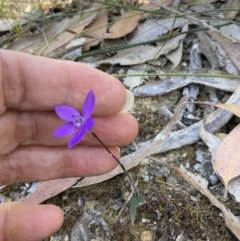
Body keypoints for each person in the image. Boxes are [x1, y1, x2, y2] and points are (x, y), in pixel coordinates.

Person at [0, 50, 138, 241]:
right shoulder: (78, 127)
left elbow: (87, 117)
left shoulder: (87, 120)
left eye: (80, 119)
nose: (79, 121)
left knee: (114, 146)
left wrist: (84, 126)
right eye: (78, 120)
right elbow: (73, 130)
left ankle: (133, 187)